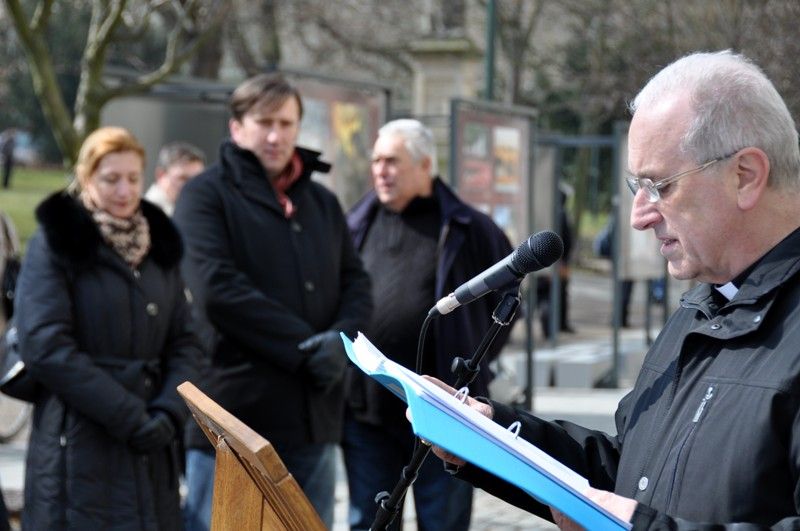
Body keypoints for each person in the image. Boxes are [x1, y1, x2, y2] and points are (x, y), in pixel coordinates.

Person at [428, 50, 800, 529]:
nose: (638, 216)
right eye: (636, 187)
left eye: (660, 185)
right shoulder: (705, 305)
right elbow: (630, 476)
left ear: (744, 176)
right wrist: (492, 436)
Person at [173, 73, 372, 530]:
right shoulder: (205, 195)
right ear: (236, 127)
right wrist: (307, 347)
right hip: (234, 419)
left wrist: (339, 343)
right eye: (264, 122)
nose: (275, 135)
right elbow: (216, 289)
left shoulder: (321, 202)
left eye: (286, 123)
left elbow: (356, 283)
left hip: (312, 419)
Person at [14, 126, 201, 529]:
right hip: (79, 443)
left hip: (153, 441)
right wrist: (130, 417)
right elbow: (45, 344)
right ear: (86, 179)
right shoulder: (57, 242)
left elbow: (187, 341)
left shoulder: (159, 246)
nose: (124, 191)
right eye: (110, 179)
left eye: (133, 178)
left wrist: (169, 411)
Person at [344, 119, 515, 530]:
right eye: (376, 161)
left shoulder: (469, 229)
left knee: (443, 523)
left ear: (424, 165)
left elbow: (509, 304)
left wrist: (468, 359)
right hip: (368, 413)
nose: (381, 171)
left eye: (392, 161)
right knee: (371, 523)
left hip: (444, 412)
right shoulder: (355, 223)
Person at [536, 183, 576, 337]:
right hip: (559, 261)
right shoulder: (562, 213)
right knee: (558, 294)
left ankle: (550, 326)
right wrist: (565, 259)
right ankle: (558, 325)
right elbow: (567, 238)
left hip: (541, 259)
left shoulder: (544, 211)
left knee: (544, 293)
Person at [144, 141, 206, 216]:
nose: (193, 185)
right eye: (183, 178)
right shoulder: (149, 215)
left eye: (198, 179)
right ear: (161, 175)